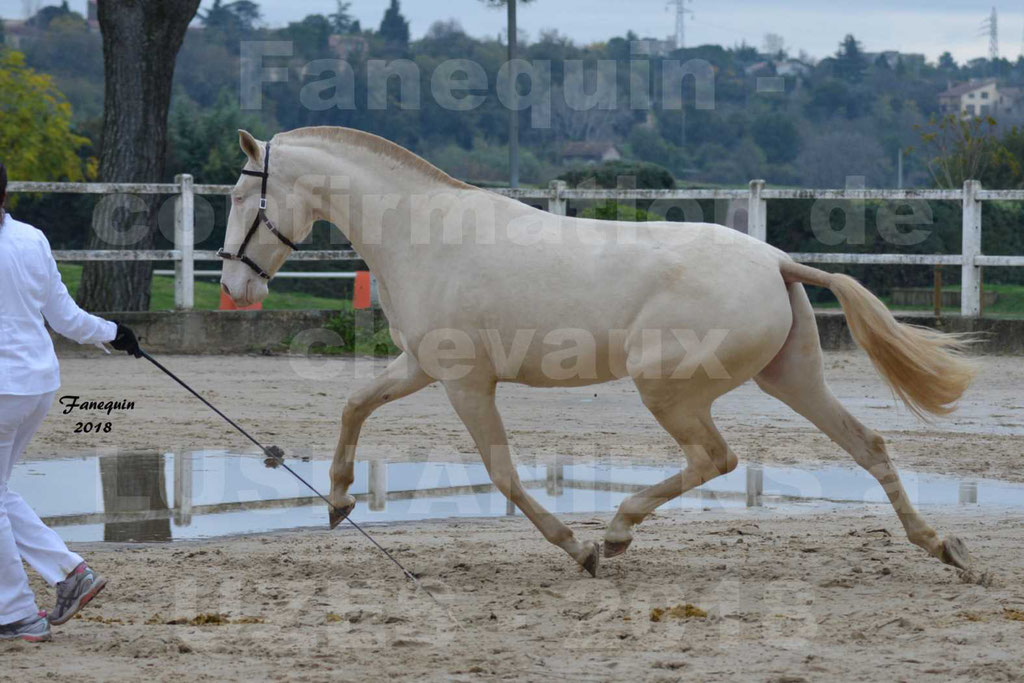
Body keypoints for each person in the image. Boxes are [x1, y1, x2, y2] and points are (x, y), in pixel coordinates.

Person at [0, 161, 141, 642]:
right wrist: (115, 333)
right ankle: (68, 573)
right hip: (37, 384)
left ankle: (17, 612)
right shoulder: (31, 238)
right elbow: (64, 316)